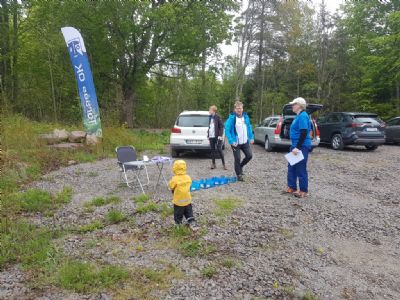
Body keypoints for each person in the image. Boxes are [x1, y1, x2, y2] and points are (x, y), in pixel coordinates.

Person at [286, 97, 311, 198]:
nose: (292, 106)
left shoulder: (303, 116)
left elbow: (304, 132)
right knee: (291, 166)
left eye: (294, 104)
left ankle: (303, 190)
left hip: (301, 146)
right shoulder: (298, 116)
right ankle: (292, 187)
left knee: (300, 168)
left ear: (300, 105)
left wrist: (298, 147)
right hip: (295, 145)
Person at [224, 100, 254, 181]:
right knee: (237, 158)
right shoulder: (232, 118)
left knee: (249, 156)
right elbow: (227, 130)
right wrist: (231, 141)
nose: (239, 110)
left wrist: (251, 137)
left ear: (242, 108)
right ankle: (239, 174)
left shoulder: (246, 117)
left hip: (245, 142)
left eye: (240, 108)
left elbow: (249, 127)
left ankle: (240, 166)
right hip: (235, 143)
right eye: (237, 108)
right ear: (235, 109)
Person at [168, 160, 198, 229]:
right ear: (185, 167)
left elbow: (170, 186)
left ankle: (178, 223)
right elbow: (190, 185)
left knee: (178, 213)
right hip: (187, 199)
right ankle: (191, 221)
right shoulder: (188, 177)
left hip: (179, 201)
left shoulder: (174, 179)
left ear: (174, 168)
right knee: (189, 211)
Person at [208, 105, 226, 170]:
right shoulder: (210, 117)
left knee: (219, 149)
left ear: (213, 110)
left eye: (210, 110)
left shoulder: (218, 117)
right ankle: (213, 164)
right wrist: (208, 135)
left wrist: (220, 136)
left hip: (218, 136)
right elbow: (210, 127)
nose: (209, 111)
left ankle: (224, 164)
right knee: (212, 150)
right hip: (211, 136)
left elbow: (221, 127)